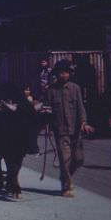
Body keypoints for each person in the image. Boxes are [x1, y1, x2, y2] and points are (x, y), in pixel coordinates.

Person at [41, 62, 93, 197]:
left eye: (66, 72)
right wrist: (46, 122)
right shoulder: (50, 91)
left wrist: (84, 123)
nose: (64, 75)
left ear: (70, 74)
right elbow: (46, 110)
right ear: (56, 74)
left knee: (78, 159)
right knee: (65, 160)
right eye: (61, 72)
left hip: (76, 131)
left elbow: (81, 107)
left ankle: (64, 177)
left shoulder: (75, 88)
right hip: (60, 131)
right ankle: (67, 186)